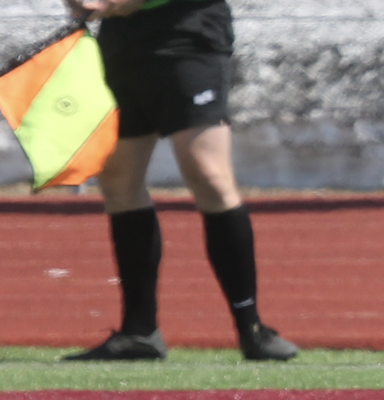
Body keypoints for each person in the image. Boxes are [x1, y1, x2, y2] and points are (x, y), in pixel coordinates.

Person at [60, 0, 297, 361]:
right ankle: (139, 332)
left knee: (208, 174)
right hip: (122, 38)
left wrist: (113, 2)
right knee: (118, 179)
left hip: (189, 32)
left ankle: (253, 329)